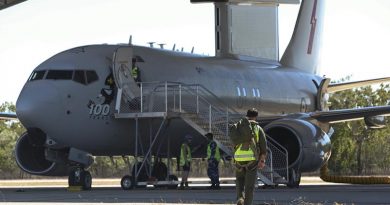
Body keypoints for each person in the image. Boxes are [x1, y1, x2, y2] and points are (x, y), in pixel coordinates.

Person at [234, 108, 267, 205]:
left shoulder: (239, 127)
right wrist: (262, 161)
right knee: (249, 186)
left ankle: (240, 198)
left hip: (238, 159)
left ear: (247, 115)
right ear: (256, 117)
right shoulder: (257, 128)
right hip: (251, 160)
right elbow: (263, 147)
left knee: (239, 182)